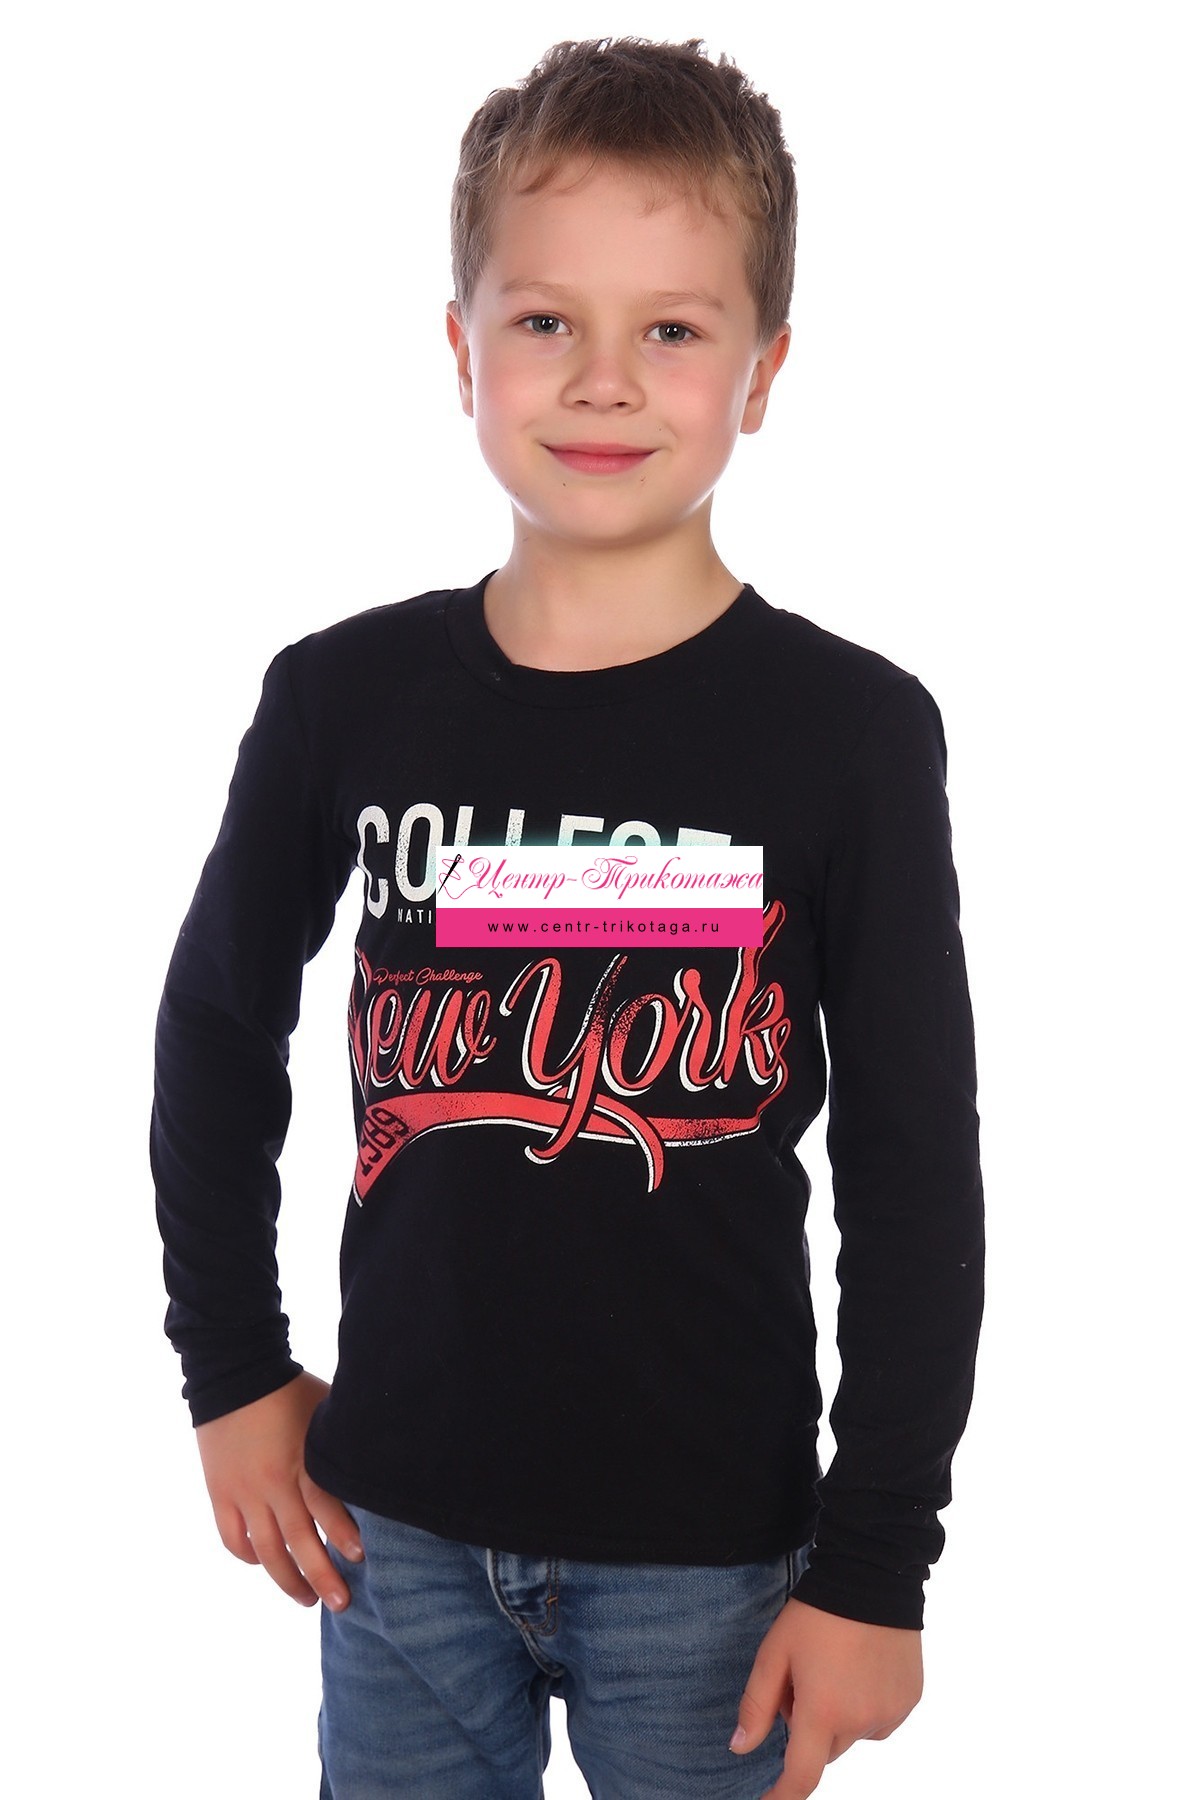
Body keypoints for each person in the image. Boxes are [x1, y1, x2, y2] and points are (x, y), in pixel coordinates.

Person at [151, 35, 985, 1800]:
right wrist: (230, 1371)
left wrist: (877, 1566)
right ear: (463, 348)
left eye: (672, 329)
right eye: (546, 321)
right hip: (393, 1539)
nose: (604, 379)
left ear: (762, 373)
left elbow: (916, 1166)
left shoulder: (848, 731)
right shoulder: (339, 698)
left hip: (714, 1561)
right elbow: (217, 1028)